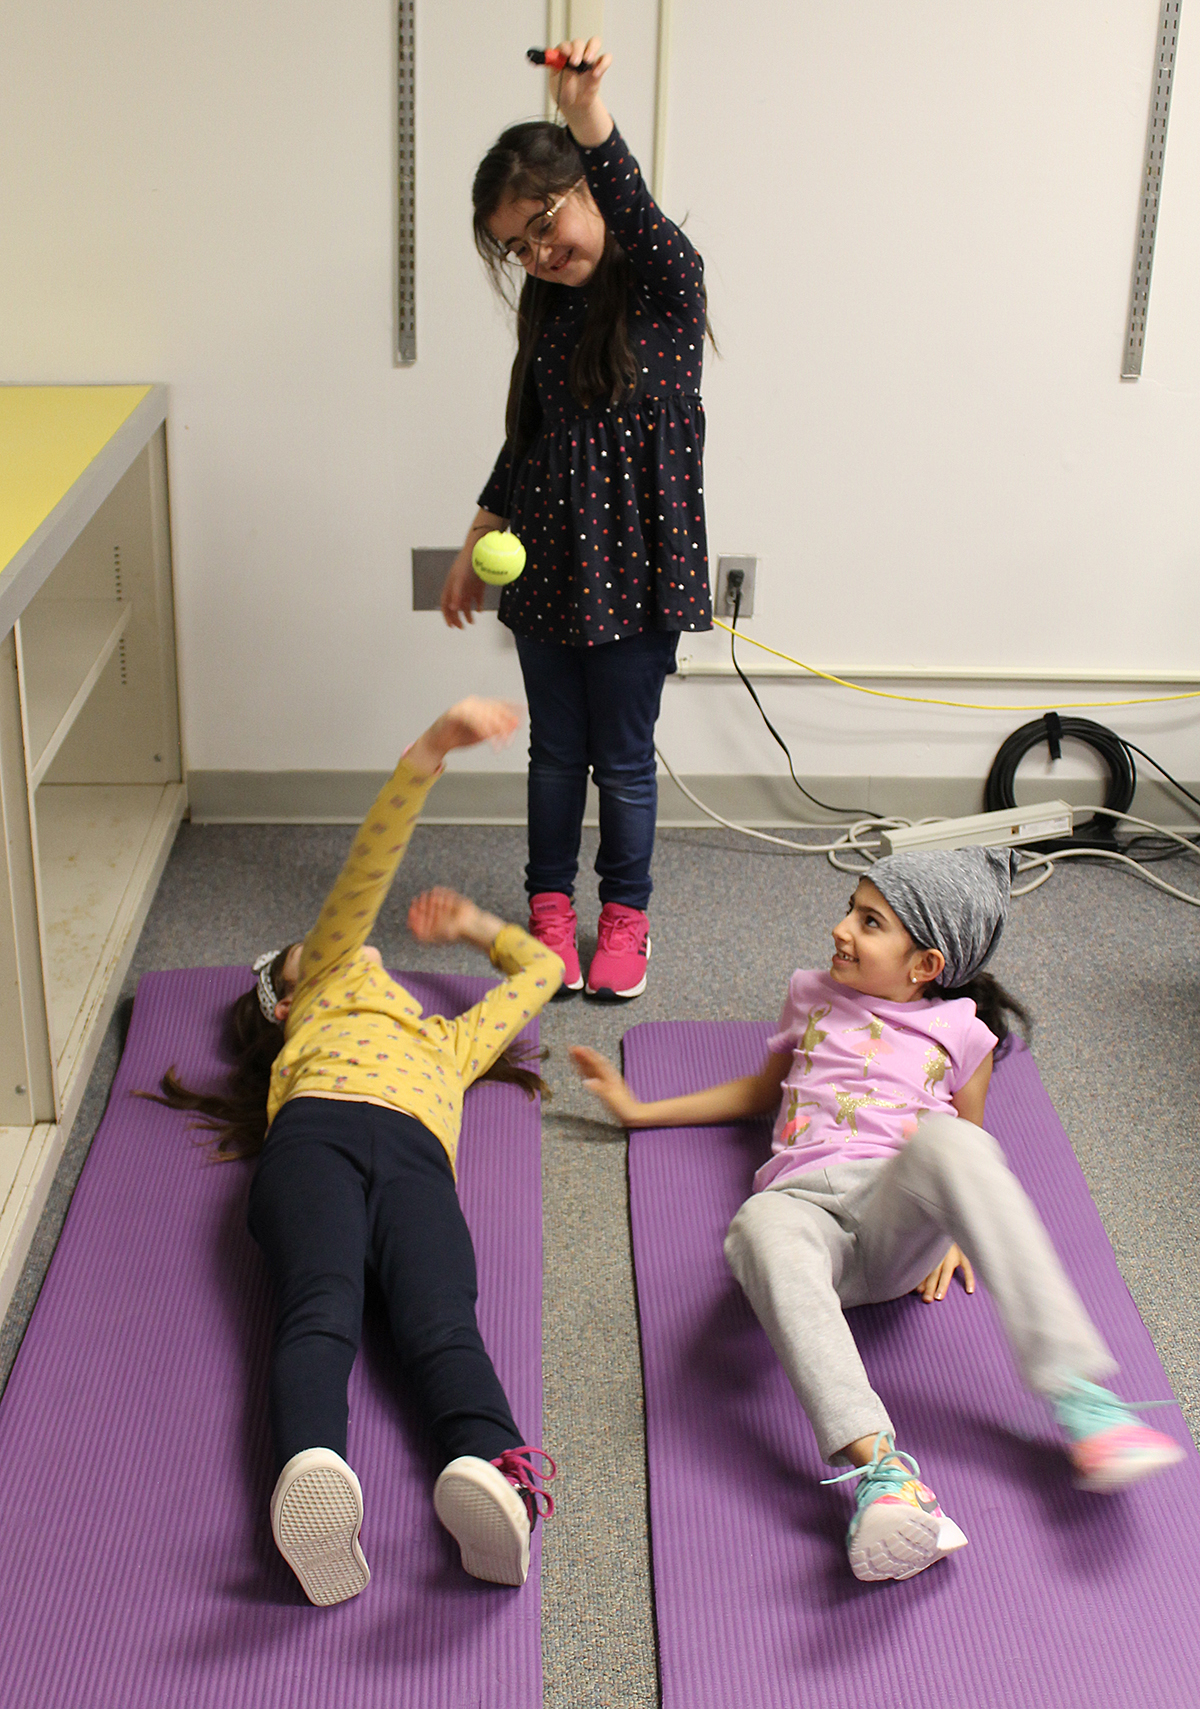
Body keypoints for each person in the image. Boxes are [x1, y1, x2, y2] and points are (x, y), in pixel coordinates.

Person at [570, 847, 1184, 1583]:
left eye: (869, 920)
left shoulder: (962, 1031)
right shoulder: (811, 993)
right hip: (803, 1219)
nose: (840, 929)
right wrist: (641, 1111)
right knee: (755, 1224)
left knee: (950, 1137)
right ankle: (883, 1477)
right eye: (850, 909)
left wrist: (954, 1232)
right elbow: (761, 1091)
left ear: (925, 963)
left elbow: (969, 1144)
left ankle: (1083, 1401)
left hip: (895, 1222)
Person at [150, 698, 561, 1605]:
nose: (347, 947)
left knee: (444, 1324)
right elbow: (364, 880)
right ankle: (312, 1475)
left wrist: (475, 928)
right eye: (310, 953)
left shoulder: (448, 1044)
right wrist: (427, 754)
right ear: (289, 1000)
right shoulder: (326, 992)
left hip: (416, 1163)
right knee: (321, 1306)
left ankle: (493, 1479)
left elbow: (542, 975)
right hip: (315, 1140)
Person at [440, 38, 713, 1003]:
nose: (538, 255)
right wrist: (477, 536)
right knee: (556, 754)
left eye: (544, 224)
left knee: (625, 762)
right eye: (518, 247)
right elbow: (527, 439)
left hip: (641, 572)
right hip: (552, 569)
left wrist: (586, 110)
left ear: (583, 188)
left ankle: (625, 917)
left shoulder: (666, 287)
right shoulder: (549, 320)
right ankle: (549, 909)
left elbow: (631, 206)